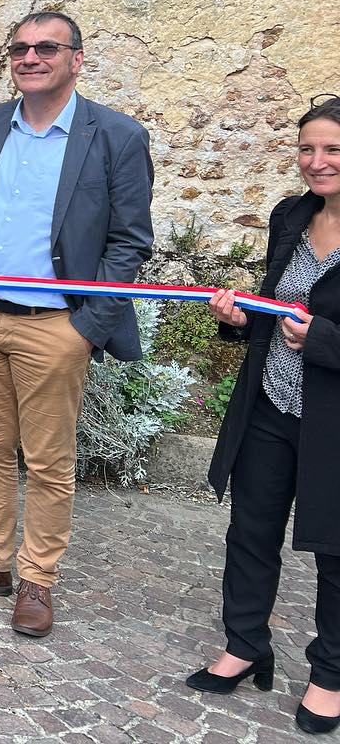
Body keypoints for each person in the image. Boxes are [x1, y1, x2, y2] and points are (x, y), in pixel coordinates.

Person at [0, 10, 154, 638]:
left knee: (47, 460)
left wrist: (86, 327)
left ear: (77, 59)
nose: (30, 58)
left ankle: (37, 577)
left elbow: (129, 241)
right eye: (19, 49)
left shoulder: (116, 136)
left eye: (46, 48)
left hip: (56, 325)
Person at [186, 96, 340, 735]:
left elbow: (317, 328)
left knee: (335, 550)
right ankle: (246, 644)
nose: (316, 161)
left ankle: (331, 674)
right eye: (307, 148)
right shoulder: (290, 216)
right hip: (271, 401)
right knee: (250, 532)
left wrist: (322, 340)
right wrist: (239, 318)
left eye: (332, 149)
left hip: (333, 422)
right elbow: (275, 307)